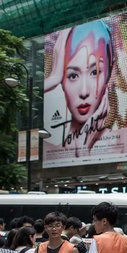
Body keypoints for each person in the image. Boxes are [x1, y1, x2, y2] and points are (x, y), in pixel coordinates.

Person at [44, 20, 113, 155]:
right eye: (73, 75)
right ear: (61, 80)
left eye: (95, 72)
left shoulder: (125, 143)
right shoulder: (47, 152)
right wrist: (53, 78)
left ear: (109, 72)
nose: (84, 92)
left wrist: (84, 150)